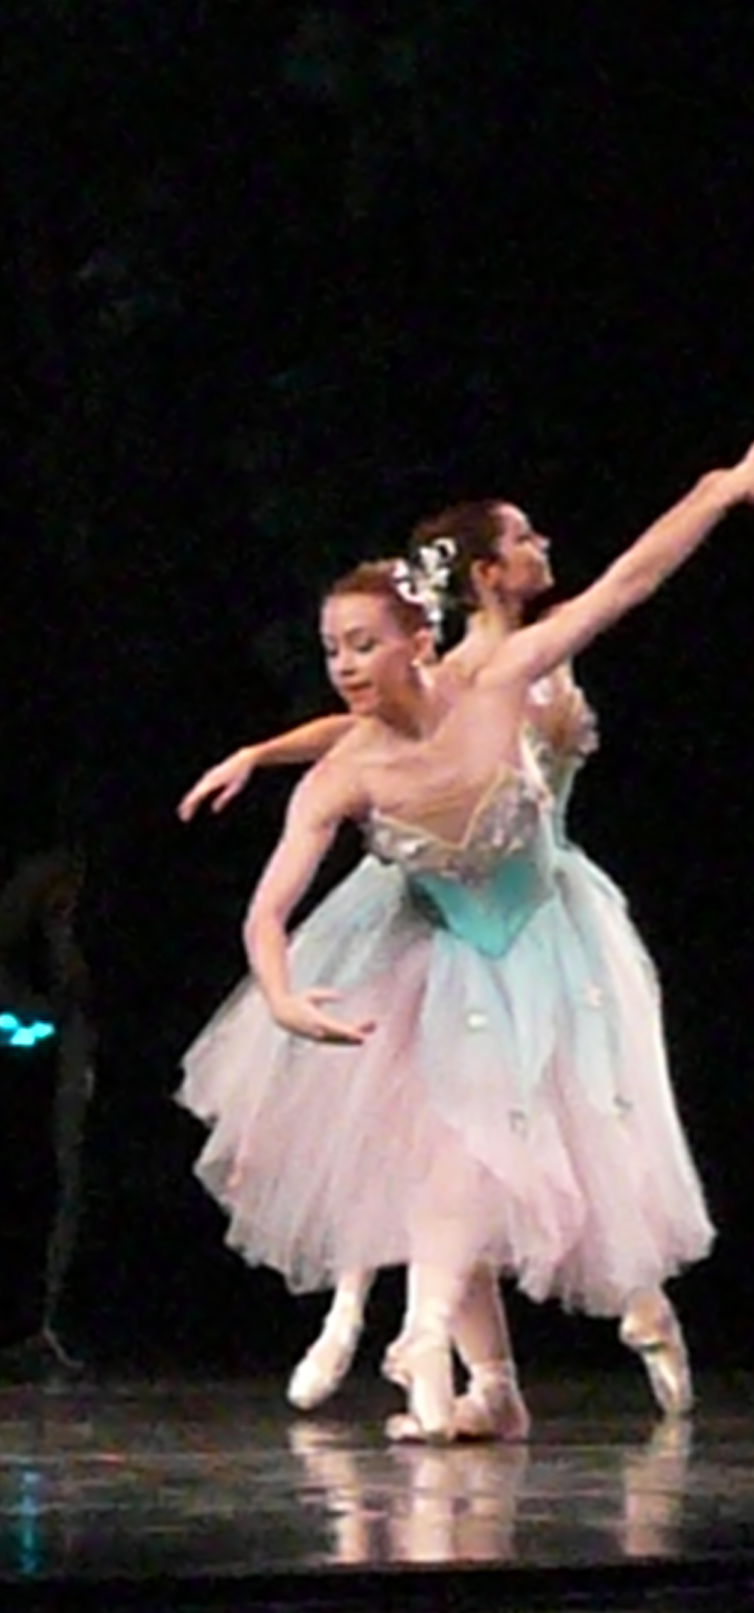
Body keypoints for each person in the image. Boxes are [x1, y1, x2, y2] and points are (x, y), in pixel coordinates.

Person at [180, 453, 750, 1440]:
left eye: (362, 644)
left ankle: (575, 1313)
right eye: (331, 648)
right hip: (445, 937)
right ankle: (472, 1367)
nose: (343, 663)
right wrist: (279, 995)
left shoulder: (500, 677)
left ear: (418, 640)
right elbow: (268, 909)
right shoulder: (351, 766)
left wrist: (721, 490)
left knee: (558, 1138)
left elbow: (629, 583)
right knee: (448, 1152)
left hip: (543, 921)